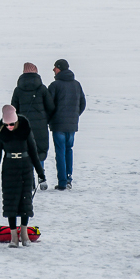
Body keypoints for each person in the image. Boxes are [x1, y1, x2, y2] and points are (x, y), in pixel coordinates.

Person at [0, 105, 48, 247]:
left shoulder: (25, 129)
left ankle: (24, 234)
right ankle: (13, 237)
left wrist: (41, 174)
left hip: (25, 167)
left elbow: (34, 152)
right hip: (9, 168)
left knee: (25, 202)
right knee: (10, 202)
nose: (9, 127)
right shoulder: (1, 132)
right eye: (6, 124)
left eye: (11, 124)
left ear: (16, 121)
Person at [47, 58, 86, 190]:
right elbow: (82, 104)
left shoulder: (55, 85)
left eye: (55, 67)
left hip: (58, 125)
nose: (53, 69)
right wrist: (74, 116)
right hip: (72, 125)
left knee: (60, 152)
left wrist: (51, 118)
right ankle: (69, 178)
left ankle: (63, 182)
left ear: (59, 68)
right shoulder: (77, 84)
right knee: (69, 150)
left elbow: (48, 105)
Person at [10, 62, 52, 164]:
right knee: (40, 152)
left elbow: (13, 111)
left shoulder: (18, 90)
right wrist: (45, 119)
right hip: (41, 126)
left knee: (26, 152)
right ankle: (40, 176)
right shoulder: (42, 89)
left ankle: (28, 177)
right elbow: (50, 107)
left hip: (24, 127)